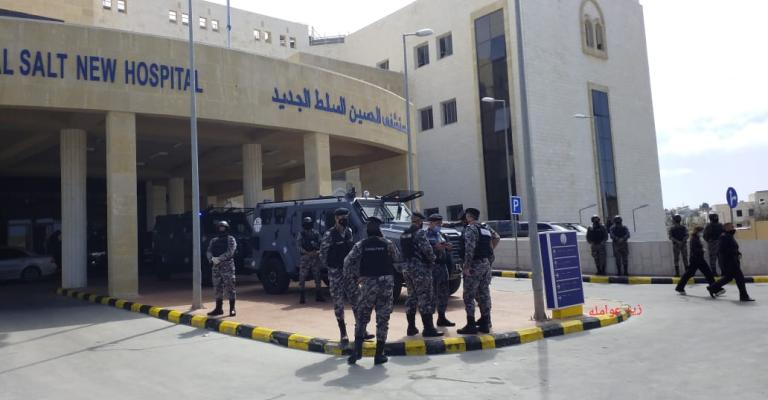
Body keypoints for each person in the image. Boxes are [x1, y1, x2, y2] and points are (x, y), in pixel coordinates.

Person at [344, 216, 400, 365]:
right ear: (379, 230)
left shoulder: (361, 245)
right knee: (383, 318)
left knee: (362, 317)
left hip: (368, 284)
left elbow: (347, 262)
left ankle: (357, 351)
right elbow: (397, 259)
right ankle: (379, 354)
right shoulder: (388, 243)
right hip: (386, 285)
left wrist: (356, 276)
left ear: (367, 231)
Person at [320, 208, 369, 343]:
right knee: (338, 303)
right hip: (335, 273)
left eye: (346, 217)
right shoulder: (329, 234)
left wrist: (355, 271)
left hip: (349, 273)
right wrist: (332, 268)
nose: (345, 219)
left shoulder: (349, 232)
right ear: (336, 218)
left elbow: (351, 252)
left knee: (357, 301)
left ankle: (361, 331)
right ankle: (343, 333)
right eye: (342, 217)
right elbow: (323, 254)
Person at [400, 211, 443, 337]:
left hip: (407, 269)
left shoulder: (404, 234)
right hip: (420, 269)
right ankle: (428, 328)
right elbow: (428, 251)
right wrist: (433, 260)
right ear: (419, 221)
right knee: (425, 296)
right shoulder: (419, 233)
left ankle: (411, 327)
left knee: (411, 296)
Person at [457, 208, 493, 335]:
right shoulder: (485, 229)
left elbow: (469, 249)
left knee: (469, 296)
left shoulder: (470, 229)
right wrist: (489, 262)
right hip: (485, 264)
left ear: (469, 216)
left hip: (474, 265)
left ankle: (471, 324)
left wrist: (466, 266)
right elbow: (492, 245)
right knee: (484, 294)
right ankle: (485, 323)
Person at [707, 223, 755, 302]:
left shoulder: (729, 236)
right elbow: (722, 251)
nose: (733, 228)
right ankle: (744, 296)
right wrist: (735, 254)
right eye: (732, 227)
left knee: (728, 278)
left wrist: (738, 253)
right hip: (730, 262)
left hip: (732, 261)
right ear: (726, 228)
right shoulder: (723, 237)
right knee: (740, 278)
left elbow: (733, 248)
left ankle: (712, 288)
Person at [426, 214, 455, 327]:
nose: (439, 225)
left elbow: (447, 250)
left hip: (443, 267)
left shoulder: (442, 235)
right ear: (431, 223)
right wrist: (435, 248)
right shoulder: (425, 235)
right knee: (431, 295)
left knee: (444, 294)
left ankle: (442, 318)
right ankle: (429, 323)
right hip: (432, 267)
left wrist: (448, 247)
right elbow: (423, 251)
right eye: (437, 223)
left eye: (440, 223)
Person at [675, 226, 718, 295]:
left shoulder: (696, 238)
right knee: (708, 273)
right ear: (698, 231)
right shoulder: (694, 239)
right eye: (701, 232)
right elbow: (695, 249)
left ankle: (679, 287)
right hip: (697, 259)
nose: (702, 233)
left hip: (696, 259)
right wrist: (702, 250)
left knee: (689, 274)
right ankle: (715, 289)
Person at [206, 221, 237, 317]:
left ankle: (232, 309)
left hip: (227, 267)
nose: (221, 229)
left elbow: (230, 252)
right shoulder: (213, 240)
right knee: (217, 288)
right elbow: (209, 251)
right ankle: (218, 309)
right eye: (220, 228)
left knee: (230, 287)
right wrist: (211, 259)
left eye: (223, 228)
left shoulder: (231, 239)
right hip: (216, 267)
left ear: (227, 228)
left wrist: (219, 259)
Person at [296, 216, 325, 304]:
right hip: (305, 257)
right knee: (302, 277)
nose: (307, 225)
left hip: (315, 257)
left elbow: (322, 244)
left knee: (317, 277)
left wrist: (317, 251)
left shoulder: (316, 233)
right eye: (306, 224)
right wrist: (306, 252)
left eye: (309, 223)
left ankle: (318, 295)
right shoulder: (301, 234)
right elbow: (298, 246)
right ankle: (302, 296)